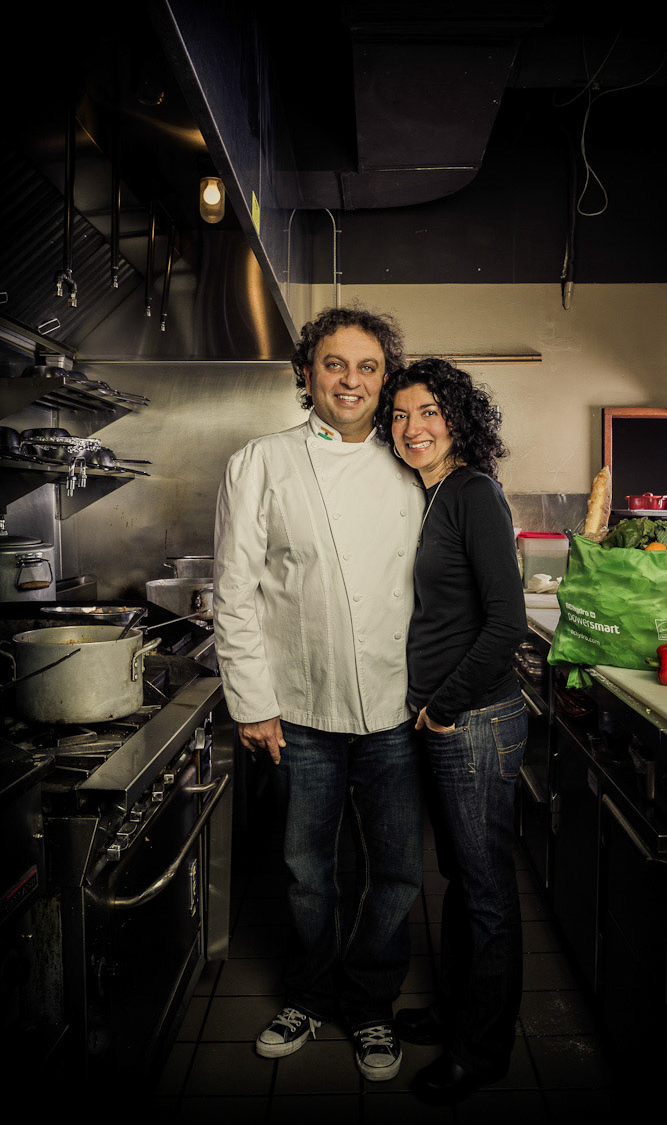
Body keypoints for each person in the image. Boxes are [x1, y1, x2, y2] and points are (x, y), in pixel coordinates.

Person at [213, 306, 425, 1082]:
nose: (351, 380)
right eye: (335, 364)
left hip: (397, 708)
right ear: (307, 373)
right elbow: (233, 593)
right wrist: (252, 702)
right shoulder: (260, 462)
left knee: (396, 870)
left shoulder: (413, 464)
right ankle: (306, 994)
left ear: (385, 378)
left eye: (368, 367)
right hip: (299, 709)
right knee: (308, 869)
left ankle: (369, 1005)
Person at [376, 356, 529, 1104]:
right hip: (444, 720)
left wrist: (442, 707)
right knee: (464, 883)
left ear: (458, 420)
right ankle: (458, 1013)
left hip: (473, 721)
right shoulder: (429, 493)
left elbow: (507, 624)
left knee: (486, 891)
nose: (413, 428)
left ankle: (482, 1051)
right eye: (400, 415)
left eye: (429, 412)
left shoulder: (473, 492)